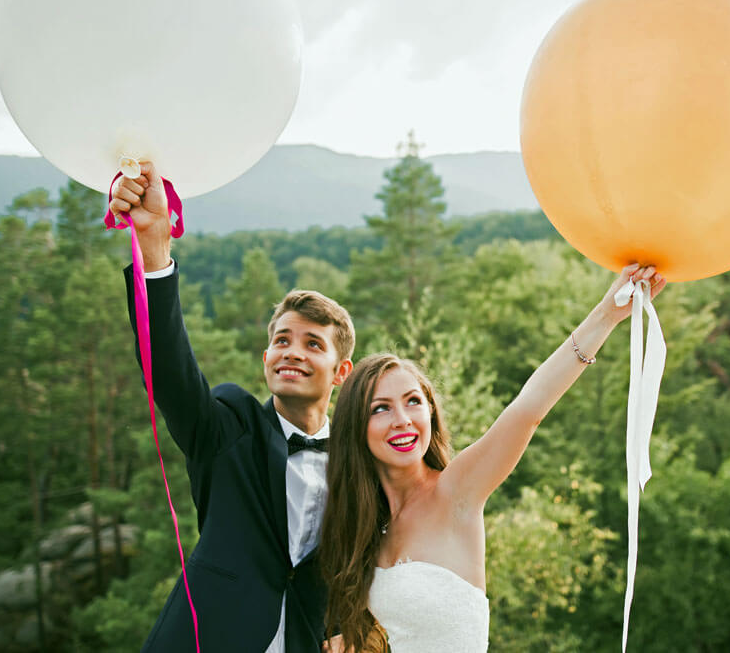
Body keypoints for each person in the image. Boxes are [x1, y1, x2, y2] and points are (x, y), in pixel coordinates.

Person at [318, 264, 664, 653]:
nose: (402, 421)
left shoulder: (456, 491)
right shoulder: (368, 531)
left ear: (430, 412)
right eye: (380, 408)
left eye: (413, 402)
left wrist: (606, 314)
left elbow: (527, 409)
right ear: (355, 427)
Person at [111, 162, 354, 653]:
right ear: (266, 360)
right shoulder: (229, 428)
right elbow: (171, 370)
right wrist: (155, 244)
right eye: (283, 340)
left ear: (341, 372)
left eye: (313, 344)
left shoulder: (359, 461)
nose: (292, 352)